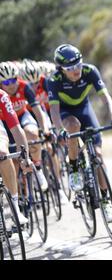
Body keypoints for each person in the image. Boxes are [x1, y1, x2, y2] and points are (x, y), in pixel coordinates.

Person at [48, 44, 112, 222]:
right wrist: (60, 131)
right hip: (66, 113)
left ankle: (105, 200)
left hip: (84, 108)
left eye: (78, 65)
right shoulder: (54, 80)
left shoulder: (90, 71)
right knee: (73, 126)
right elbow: (54, 112)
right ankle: (73, 167)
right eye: (70, 68)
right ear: (61, 69)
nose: (76, 70)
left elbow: (106, 98)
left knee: (98, 154)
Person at [20, 60, 68, 203]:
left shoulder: (45, 82)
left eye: (36, 83)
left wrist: (49, 129)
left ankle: (58, 188)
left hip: (40, 112)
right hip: (27, 116)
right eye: (30, 84)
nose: (34, 87)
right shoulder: (20, 88)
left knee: (49, 148)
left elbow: (48, 109)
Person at [0, 61, 49, 191]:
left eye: (13, 80)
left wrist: (45, 129)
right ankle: (16, 194)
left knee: (33, 134)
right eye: (5, 82)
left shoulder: (24, 87)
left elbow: (38, 111)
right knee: (13, 162)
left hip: (23, 116)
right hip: (5, 124)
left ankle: (38, 168)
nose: (10, 85)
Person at [0, 83, 33, 224]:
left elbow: (16, 129)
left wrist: (24, 158)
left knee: (1, 151)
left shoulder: (2, 96)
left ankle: (14, 207)